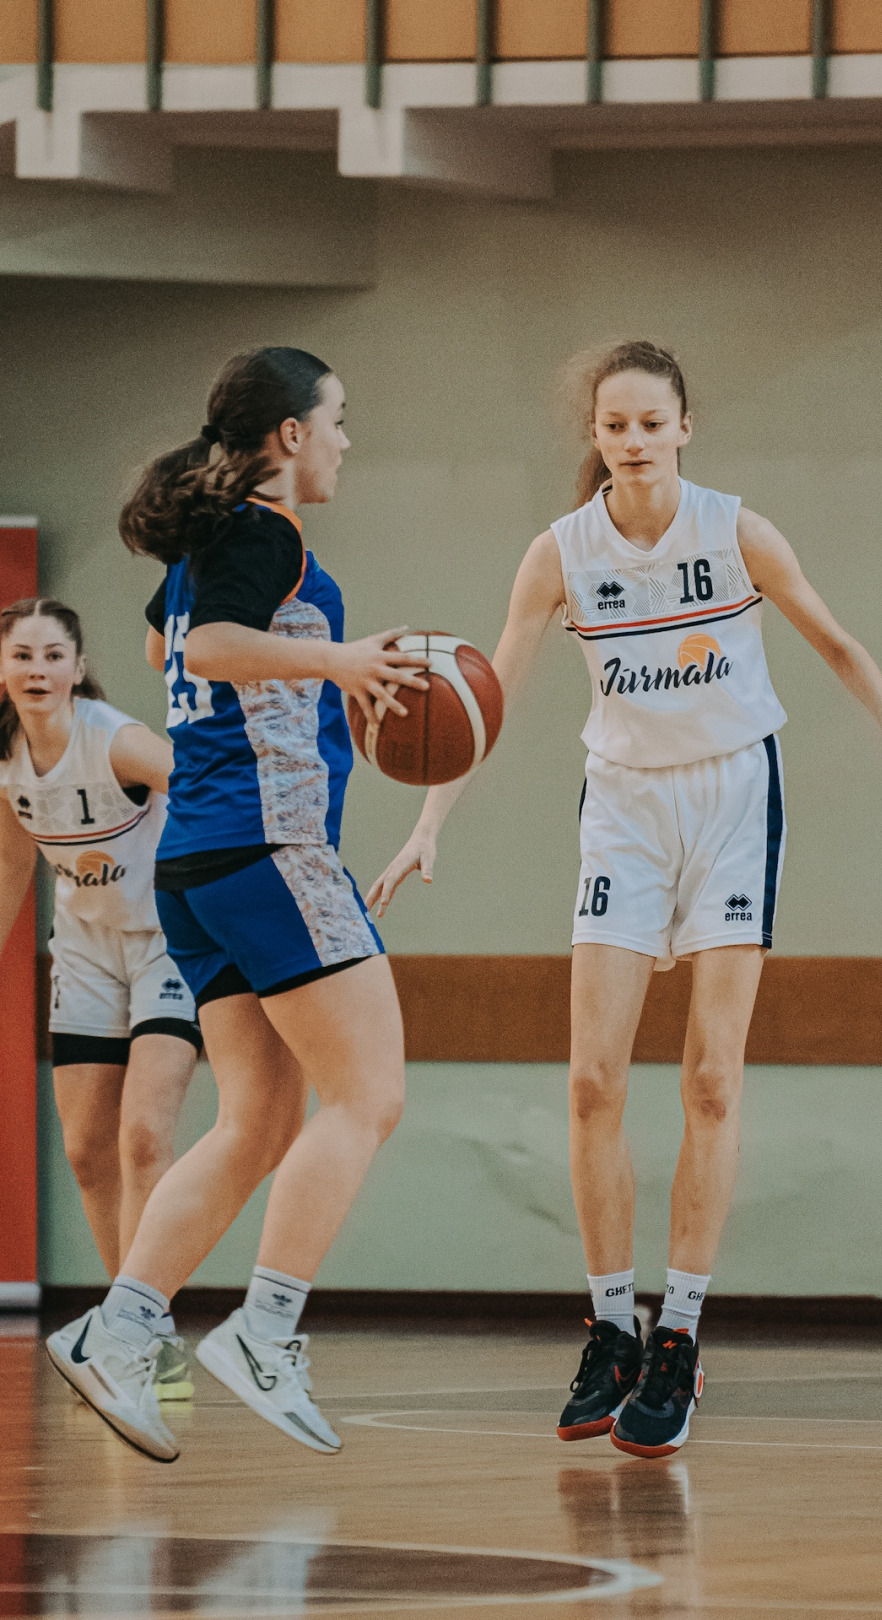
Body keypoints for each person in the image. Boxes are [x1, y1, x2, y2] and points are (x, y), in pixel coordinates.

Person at [369, 339, 882, 1458]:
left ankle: (678, 1333)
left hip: (733, 797)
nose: (631, 440)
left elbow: (833, 639)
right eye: (613, 424)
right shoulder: (560, 554)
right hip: (624, 807)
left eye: (649, 422)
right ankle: (609, 1327)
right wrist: (429, 823)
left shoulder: (737, 532)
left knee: (712, 1077)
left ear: (684, 428)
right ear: (594, 436)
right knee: (592, 1081)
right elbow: (487, 705)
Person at [46, 346, 428, 1463]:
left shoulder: (204, 544)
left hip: (197, 865)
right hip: (269, 851)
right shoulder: (263, 532)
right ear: (291, 434)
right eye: (337, 418)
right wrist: (339, 663)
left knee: (257, 1122)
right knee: (370, 1096)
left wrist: (310, 688)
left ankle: (120, 1329)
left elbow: (169, 644)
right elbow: (210, 647)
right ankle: (265, 1330)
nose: (346, 439)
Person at [0, 597, 200, 1400]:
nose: (38, 669)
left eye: (53, 655)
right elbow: (12, 864)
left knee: (145, 1136)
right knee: (86, 1149)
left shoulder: (116, 739)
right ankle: (139, 1329)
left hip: (166, 941)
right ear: (2, 670)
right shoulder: (9, 759)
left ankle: (141, 1326)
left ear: (78, 668)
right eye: (23, 655)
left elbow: (199, 783)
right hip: (83, 954)